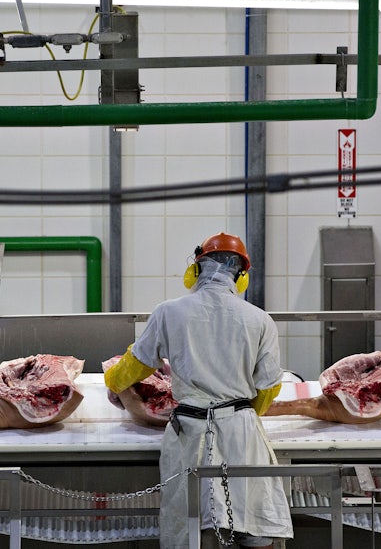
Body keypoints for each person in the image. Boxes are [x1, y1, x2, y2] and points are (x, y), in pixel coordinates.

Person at [104, 232, 293, 548]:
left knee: (189, 529)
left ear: (196, 267)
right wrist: (245, 415)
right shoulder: (260, 319)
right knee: (255, 529)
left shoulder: (169, 311)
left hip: (189, 432)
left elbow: (138, 363)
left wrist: (113, 384)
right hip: (241, 433)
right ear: (241, 275)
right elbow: (268, 387)